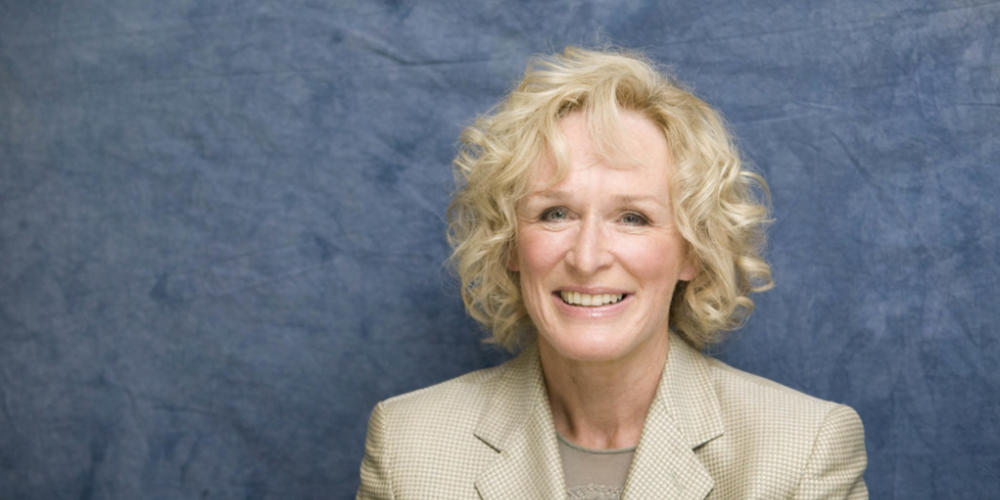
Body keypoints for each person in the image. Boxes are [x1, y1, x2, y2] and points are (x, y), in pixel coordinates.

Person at [357, 46, 867, 500]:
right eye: (556, 213)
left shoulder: (802, 452)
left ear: (693, 251)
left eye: (633, 218)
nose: (587, 257)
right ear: (509, 243)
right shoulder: (408, 445)